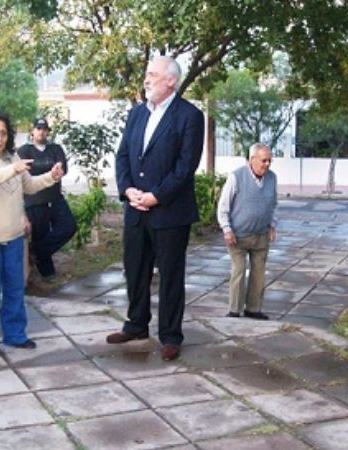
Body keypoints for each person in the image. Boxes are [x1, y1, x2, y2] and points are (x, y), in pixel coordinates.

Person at [106, 55, 205, 362]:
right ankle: (136, 325)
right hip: (135, 209)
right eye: (147, 74)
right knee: (135, 269)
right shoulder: (136, 114)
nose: (146, 79)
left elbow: (185, 166)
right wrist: (127, 189)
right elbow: (122, 156)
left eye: (152, 74)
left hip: (170, 212)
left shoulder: (189, 116)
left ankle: (171, 335)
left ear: (171, 80)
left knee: (171, 275)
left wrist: (156, 196)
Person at [0, 113, 64, 357]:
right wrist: (12, 169)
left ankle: (15, 335)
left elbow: (28, 186)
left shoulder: (13, 157)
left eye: (3, 133)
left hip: (13, 237)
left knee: (14, 288)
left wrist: (51, 177)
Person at [217, 143, 278, 320]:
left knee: (259, 273)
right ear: (252, 159)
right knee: (239, 271)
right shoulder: (236, 177)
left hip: (261, 235)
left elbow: (273, 204)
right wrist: (227, 230)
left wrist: (272, 226)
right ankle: (234, 310)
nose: (267, 164)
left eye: (269, 161)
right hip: (238, 236)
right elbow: (223, 207)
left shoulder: (272, 178)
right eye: (263, 160)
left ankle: (253, 309)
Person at [17, 118, 77, 282]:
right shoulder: (24, 151)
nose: (41, 132)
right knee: (40, 234)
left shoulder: (55, 148)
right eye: (38, 128)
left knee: (69, 226)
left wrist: (55, 170)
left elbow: (61, 168)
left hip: (55, 198)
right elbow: (25, 175)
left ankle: (34, 251)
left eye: (44, 129)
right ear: (32, 130)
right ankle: (47, 274)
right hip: (35, 200)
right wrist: (49, 171)